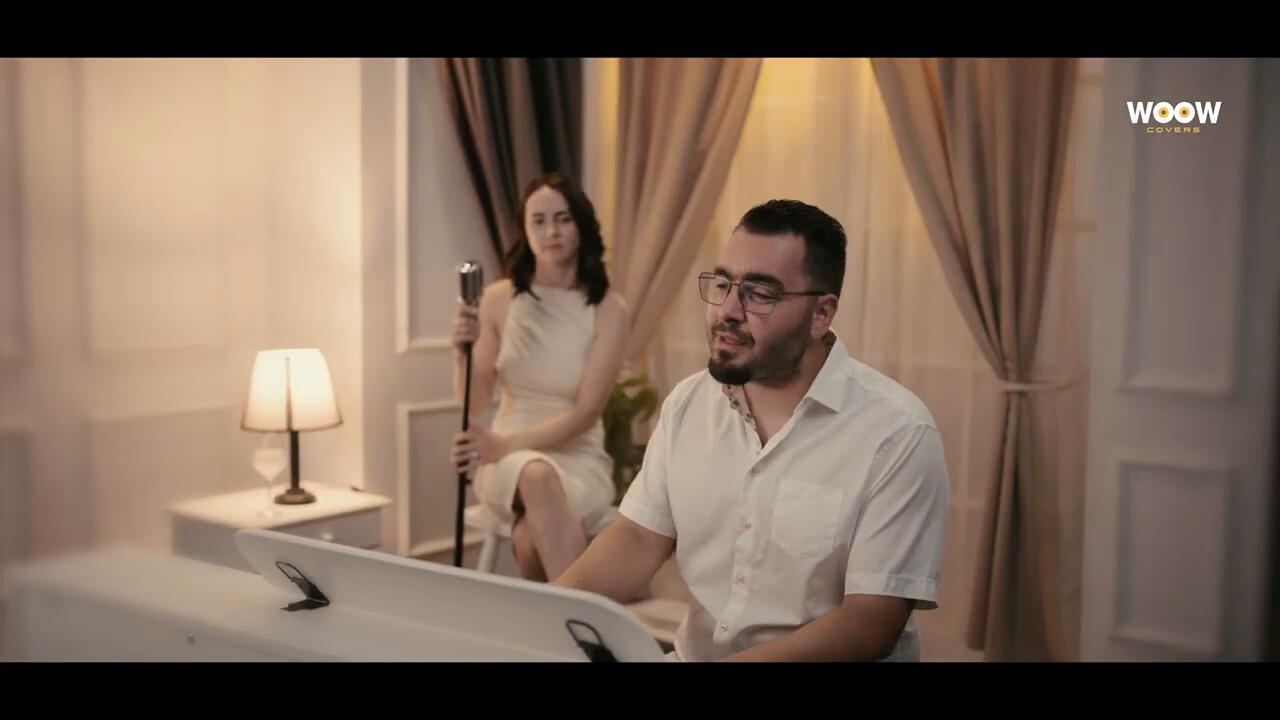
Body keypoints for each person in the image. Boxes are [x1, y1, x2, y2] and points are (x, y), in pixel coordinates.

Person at [554, 199, 949, 661]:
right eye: (723, 284)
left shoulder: (899, 432)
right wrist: (540, 616)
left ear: (821, 314)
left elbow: (870, 623)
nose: (727, 310)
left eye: (759, 294)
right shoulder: (688, 403)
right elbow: (638, 540)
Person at [449, 172, 628, 583]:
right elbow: (474, 403)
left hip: (578, 458)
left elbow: (586, 413)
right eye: (539, 221)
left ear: (581, 225)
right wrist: (461, 352)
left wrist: (503, 444)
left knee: (531, 537)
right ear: (524, 230)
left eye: (563, 219)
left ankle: (557, 620)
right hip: (507, 461)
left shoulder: (608, 309)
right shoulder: (498, 299)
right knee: (536, 474)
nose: (551, 232)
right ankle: (584, 618)